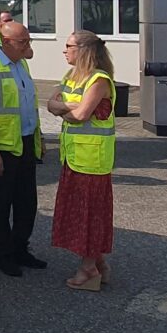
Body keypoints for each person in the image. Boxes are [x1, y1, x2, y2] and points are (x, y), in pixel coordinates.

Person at [47, 30, 117, 290]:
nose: (64, 50)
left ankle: (88, 269)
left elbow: (82, 114)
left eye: (69, 46)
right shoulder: (72, 77)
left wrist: (65, 108)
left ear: (84, 50)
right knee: (79, 212)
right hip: (75, 157)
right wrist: (69, 108)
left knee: (90, 215)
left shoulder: (99, 79)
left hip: (92, 160)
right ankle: (98, 264)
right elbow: (51, 103)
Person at [0, 20, 44, 277]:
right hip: (4, 146)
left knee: (27, 201)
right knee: (1, 203)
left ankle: (20, 248)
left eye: (28, 40)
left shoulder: (21, 64)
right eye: (22, 41)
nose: (28, 46)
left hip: (26, 141)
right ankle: (3, 254)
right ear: (5, 43)